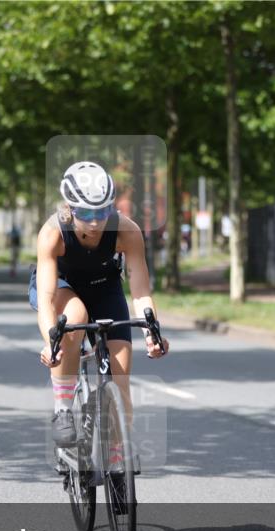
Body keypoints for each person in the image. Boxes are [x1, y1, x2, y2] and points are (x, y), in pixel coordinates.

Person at [29, 161, 169, 447]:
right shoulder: (53, 233)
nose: (95, 222)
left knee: (120, 377)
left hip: (104, 287)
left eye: (102, 211)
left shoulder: (126, 231)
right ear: (70, 208)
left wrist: (151, 333)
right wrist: (50, 342)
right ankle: (64, 409)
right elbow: (45, 298)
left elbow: (140, 291)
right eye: (86, 213)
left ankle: (118, 460)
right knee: (75, 315)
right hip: (60, 286)